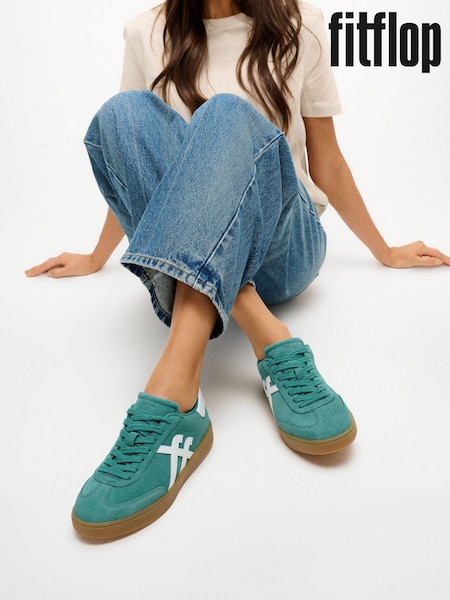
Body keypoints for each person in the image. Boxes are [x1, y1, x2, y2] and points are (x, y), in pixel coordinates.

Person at [26, 0, 449, 540]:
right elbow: (145, 167)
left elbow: (326, 159)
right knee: (122, 116)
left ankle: (175, 391)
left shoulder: (301, 25)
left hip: (284, 246)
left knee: (225, 114)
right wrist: (95, 256)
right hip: (196, 245)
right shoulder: (144, 32)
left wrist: (384, 249)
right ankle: (265, 332)